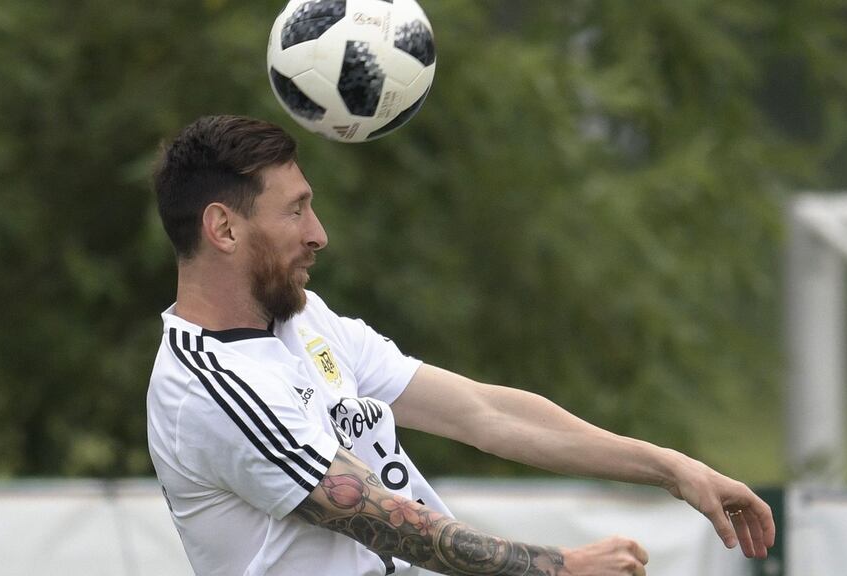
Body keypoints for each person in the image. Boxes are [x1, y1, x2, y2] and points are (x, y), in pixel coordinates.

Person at [146, 115, 775, 576]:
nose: (319, 234)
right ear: (223, 228)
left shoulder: (304, 320)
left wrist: (671, 467)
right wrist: (561, 567)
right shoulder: (210, 387)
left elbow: (484, 413)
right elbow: (378, 517)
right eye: (295, 211)